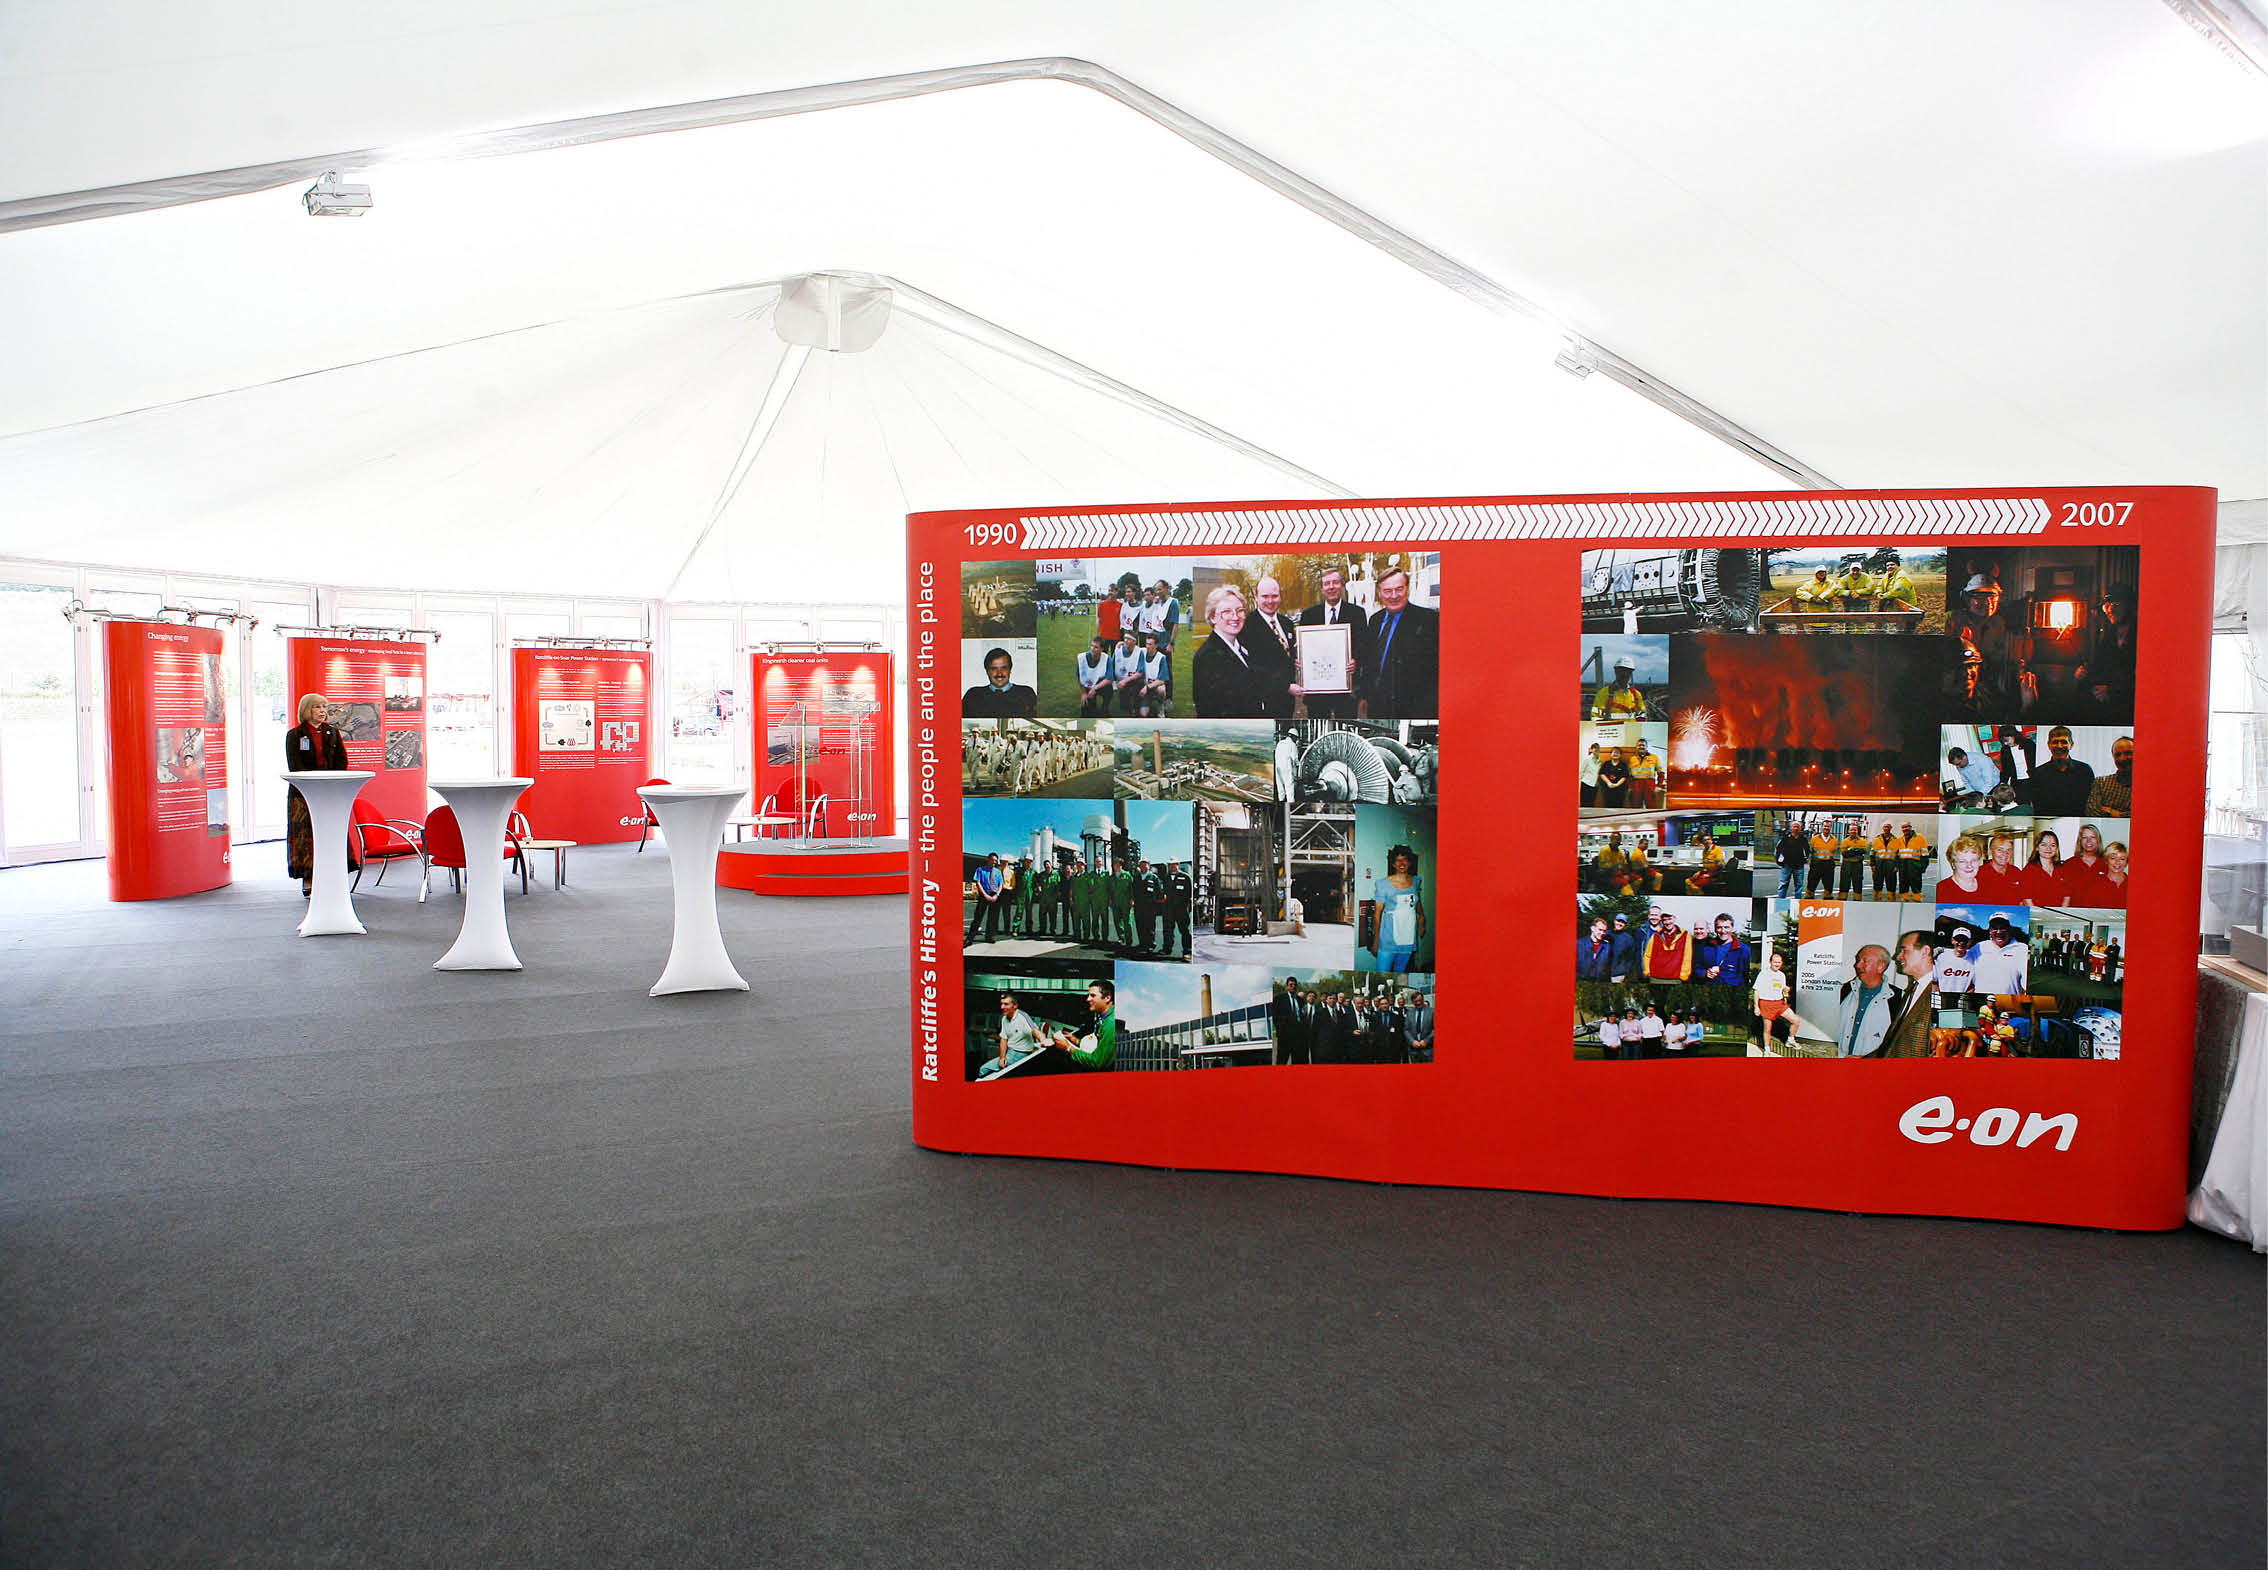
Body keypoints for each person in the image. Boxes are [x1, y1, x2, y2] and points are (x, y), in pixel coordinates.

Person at [284, 692, 358, 896]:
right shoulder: (295, 735)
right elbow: (295, 766)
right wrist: (316, 781)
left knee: (332, 831)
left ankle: (334, 876)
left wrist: (331, 781)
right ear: (307, 710)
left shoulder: (333, 733)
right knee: (306, 836)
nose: (322, 711)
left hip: (330, 792)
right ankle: (308, 878)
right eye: (318, 707)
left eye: (324, 707)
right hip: (303, 795)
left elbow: (342, 761)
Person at [1358, 566, 1440, 719]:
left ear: (1407, 589)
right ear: (1379, 593)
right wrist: (1364, 695)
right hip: (1378, 705)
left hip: (1413, 708)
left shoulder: (1428, 620)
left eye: (1399, 589)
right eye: (1387, 591)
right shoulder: (1375, 620)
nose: (1394, 596)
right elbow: (1370, 663)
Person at [1192, 584, 1281, 718]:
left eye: (1239, 610)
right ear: (1212, 617)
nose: (1235, 617)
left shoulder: (1240, 647)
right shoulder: (1209, 657)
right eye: (1226, 612)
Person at [1297, 566, 1368, 718]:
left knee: (1345, 725)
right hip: (1317, 689)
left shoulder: (1357, 613)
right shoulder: (1309, 615)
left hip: (1346, 688)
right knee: (1318, 725)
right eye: (1327, 583)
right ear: (1322, 589)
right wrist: (1301, 661)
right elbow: (1304, 648)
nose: (1331, 587)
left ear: (1342, 586)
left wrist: (1357, 662)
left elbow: (1364, 646)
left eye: (1335, 582)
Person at [1877, 932, 1942, 1058]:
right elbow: (1895, 1045)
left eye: (1903, 950)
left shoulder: (1939, 993)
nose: (1897, 957)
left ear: (1925, 951)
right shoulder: (1912, 991)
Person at [2075, 589, 2137, 719]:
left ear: (2129, 607)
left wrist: (2111, 691)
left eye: (2116, 604)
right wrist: (2084, 672)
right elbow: (2100, 665)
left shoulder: (2140, 633)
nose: (2111, 610)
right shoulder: (2109, 635)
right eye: (2107, 606)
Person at [1836, 944, 1903, 1058]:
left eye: (1864, 961)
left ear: (1881, 966)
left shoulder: (1898, 999)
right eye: (1858, 960)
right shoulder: (1843, 990)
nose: (1857, 965)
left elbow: (1899, 1043)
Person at [1248, 577, 1303, 713]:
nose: (1270, 601)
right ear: (1256, 597)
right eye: (1265, 596)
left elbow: (1286, 655)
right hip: (1264, 700)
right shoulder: (1248, 626)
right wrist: (1285, 686)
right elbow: (1252, 667)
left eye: (1274, 596)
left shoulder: (1287, 623)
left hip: (1287, 700)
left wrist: (1298, 658)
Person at [1371, 844, 1428, 972]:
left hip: (1408, 936)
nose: (1402, 863)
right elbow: (1377, 914)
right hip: (1388, 939)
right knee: (1382, 973)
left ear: (1410, 862)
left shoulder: (1415, 881)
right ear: (1393, 864)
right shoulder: (1383, 884)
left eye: (1405, 859)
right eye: (1398, 860)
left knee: (1400, 972)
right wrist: (1376, 941)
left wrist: (1422, 918)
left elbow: (1416, 902)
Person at [1047, 979, 1117, 1070]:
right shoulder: (1101, 1016)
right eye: (1088, 995)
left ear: (1107, 998)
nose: (1088, 999)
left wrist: (1068, 1048)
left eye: (1093, 995)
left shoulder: (1111, 1024)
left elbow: (1097, 1063)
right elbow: (1097, 1046)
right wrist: (1075, 1040)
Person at [2028, 726, 2096, 815]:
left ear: (2071, 744)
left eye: (2064, 742)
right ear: (2048, 745)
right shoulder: (2037, 774)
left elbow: (2090, 803)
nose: (2059, 746)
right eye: (2055, 742)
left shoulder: (2085, 770)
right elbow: (2038, 808)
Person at [978, 991, 1046, 1078]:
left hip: (1021, 1053)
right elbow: (1003, 1039)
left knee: (983, 1069)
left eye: (1006, 1004)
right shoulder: (1004, 1018)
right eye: (1001, 1004)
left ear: (1015, 1006)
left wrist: (1043, 1040)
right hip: (1010, 1052)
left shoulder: (1022, 1016)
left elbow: (1034, 1030)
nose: (1002, 1007)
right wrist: (1002, 1058)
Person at [963, 647, 1038, 718]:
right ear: (987, 671)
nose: (999, 673)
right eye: (994, 669)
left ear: (1010, 669)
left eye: (1004, 668)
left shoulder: (1026, 694)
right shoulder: (973, 696)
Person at [1970, 915, 2030, 994]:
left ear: (2009, 929)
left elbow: (2026, 983)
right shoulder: (1979, 947)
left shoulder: (2022, 949)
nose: (1999, 932)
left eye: (2002, 928)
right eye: (1994, 928)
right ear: (1990, 931)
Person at [2057, 822, 2113, 906]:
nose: (2088, 841)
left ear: (2098, 840)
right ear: (2080, 841)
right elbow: (2064, 895)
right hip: (2076, 914)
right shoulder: (2069, 864)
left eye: (2092, 837)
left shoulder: (2106, 864)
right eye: (2084, 837)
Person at [2082, 735, 2133, 817]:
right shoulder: (2101, 782)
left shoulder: (2147, 784)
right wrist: (2123, 814)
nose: (2123, 758)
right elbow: (2091, 811)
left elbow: (2145, 814)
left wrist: (2117, 814)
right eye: (2118, 755)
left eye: (2128, 753)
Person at [1697, 913, 1752, 988]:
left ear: (1732, 928)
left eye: (1726, 927)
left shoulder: (1743, 949)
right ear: (1715, 929)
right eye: (1719, 927)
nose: (1723, 931)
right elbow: (1696, 968)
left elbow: (1746, 975)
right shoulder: (1706, 947)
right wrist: (1704, 973)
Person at [966, 853, 1007, 942]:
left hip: (995, 896)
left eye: (996, 861)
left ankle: (989, 937)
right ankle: (970, 938)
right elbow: (978, 882)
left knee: (993, 918)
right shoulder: (980, 870)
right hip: (984, 895)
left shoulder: (998, 871)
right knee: (978, 917)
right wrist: (985, 895)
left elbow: (1001, 884)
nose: (994, 862)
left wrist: (997, 895)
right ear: (988, 860)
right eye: (993, 860)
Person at [1592, 654, 1647, 720]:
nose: (1625, 674)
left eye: (1628, 671)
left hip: (1631, 729)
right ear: (1616, 671)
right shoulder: (1603, 693)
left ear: (1630, 673)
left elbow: (1642, 714)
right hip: (1613, 730)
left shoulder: (1636, 694)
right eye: (1622, 671)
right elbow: (1596, 718)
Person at [1936, 834, 1989, 902]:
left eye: (1973, 860)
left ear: (1979, 862)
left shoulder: (1988, 887)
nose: (1969, 866)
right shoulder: (1940, 890)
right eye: (1962, 861)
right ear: (1953, 864)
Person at [1076, 636, 1115, 715]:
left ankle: (1105, 708)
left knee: (1109, 689)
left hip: (1099, 685)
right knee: (1087, 713)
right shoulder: (1082, 658)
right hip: (1088, 686)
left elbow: (1110, 679)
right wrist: (1083, 693)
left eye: (1096, 647)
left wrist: (1095, 688)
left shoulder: (1107, 659)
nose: (1092, 649)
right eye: (1092, 646)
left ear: (1102, 649)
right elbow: (1079, 677)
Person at [1933, 926, 1978, 995]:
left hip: (1961, 998)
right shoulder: (1940, 957)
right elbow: (1933, 982)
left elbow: (1974, 985)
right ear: (1952, 940)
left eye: (1965, 940)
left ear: (1970, 942)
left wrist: (1965, 996)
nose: (1961, 943)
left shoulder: (1974, 959)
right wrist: (1938, 995)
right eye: (1958, 939)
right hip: (1940, 996)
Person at [1895, 820, 1932, 901]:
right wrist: (1897, 866)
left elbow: (1925, 855)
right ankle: (1904, 900)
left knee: (1916, 885)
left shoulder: (1919, 838)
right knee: (1903, 884)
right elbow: (1897, 855)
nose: (1905, 829)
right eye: (1903, 827)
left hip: (1915, 867)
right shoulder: (1899, 839)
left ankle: (1917, 900)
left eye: (1907, 827)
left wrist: (1922, 867)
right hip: (1903, 867)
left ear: (1911, 827)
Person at [1164, 862, 1193, 956]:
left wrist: (1188, 909)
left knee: (1184, 930)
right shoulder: (1166, 878)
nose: (1172, 866)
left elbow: (1190, 895)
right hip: (1169, 909)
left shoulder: (1186, 877)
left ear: (1178, 865)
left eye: (1174, 864)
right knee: (1168, 929)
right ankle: (1167, 948)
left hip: (1182, 910)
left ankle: (1187, 950)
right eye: (1170, 864)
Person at [1806, 821, 1840, 896]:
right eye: (1825, 826)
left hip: (1828, 865)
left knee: (1828, 886)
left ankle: (1828, 901)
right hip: (1816, 865)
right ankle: (1809, 900)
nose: (1826, 828)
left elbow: (1833, 852)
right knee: (1811, 885)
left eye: (1828, 826)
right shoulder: (1814, 839)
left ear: (1831, 827)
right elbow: (1811, 851)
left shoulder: (1834, 840)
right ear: (1822, 827)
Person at [1775, 821, 1808, 898]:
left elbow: (1807, 851)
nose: (1796, 828)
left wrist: (1805, 859)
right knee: (1783, 884)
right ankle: (1781, 900)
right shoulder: (1785, 838)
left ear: (1800, 828)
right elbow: (1778, 849)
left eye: (1797, 826)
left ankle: (1798, 901)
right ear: (1791, 828)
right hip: (1786, 865)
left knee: (1799, 886)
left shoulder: (1803, 839)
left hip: (1799, 866)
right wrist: (1778, 861)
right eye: (1794, 826)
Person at [1607, 911, 1641, 984]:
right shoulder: (1605, 934)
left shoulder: (1629, 939)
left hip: (1618, 976)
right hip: (1602, 973)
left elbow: (1631, 958)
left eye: (1622, 922)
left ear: (1625, 925)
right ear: (1614, 921)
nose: (1619, 923)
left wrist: (1624, 972)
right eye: (1618, 921)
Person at [1837, 821, 1869, 898]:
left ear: (1858, 831)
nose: (1853, 831)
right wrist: (1857, 851)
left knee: (1857, 883)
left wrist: (1851, 849)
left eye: (1855, 830)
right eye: (1851, 830)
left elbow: (1864, 850)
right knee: (1844, 883)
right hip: (1846, 865)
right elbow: (1844, 853)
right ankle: (1842, 900)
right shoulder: (1845, 841)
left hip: (1857, 865)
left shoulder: (1863, 841)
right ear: (1848, 831)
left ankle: (1857, 901)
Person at [1870, 824, 1902, 900]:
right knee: (1877, 883)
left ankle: (1891, 900)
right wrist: (1873, 865)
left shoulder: (1896, 840)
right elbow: (1872, 853)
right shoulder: (1877, 839)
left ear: (1891, 828)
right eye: (1885, 827)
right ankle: (1877, 899)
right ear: (1883, 828)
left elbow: (1899, 855)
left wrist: (1897, 866)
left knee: (1891, 883)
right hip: (1878, 864)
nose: (1886, 828)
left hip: (1891, 865)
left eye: (1888, 827)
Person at [1404, 992, 1434, 1064]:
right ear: (1413, 1002)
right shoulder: (1409, 1013)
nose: (1418, 1003)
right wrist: (1412, 1041)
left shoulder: (1432, 1012)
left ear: (1423, 999)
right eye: (1416, 1001)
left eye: (1420, 1000)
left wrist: (1426, 1041)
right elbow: (1406, 1029)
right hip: (1414, 1051)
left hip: (1428, 1050)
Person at [2099, 842, 2129, 909]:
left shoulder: (2134, 885)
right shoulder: (2096, 885)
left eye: (2122, 859)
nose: (2117, 862)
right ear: (2106, 860)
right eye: (2113, 858)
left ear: (2127, 862)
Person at [1581, 743, 1604, 809]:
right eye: (1595, 748)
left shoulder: (1600, 760)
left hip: (1595, 785)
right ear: (1591, 750)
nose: (1596, 749)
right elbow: (1581, 771)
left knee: (1591, 803)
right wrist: (1583, 780)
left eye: (1598, 748)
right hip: (1586, 784)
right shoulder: (1587, 759)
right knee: (1584, 804)